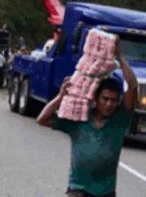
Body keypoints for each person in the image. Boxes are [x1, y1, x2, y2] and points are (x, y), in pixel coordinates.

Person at [36, 40, 137, 197]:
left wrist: (120, 55)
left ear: (118, 102)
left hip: (105, 192)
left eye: (113, 100)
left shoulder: (120, 121)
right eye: (105, 99)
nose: (109, 104)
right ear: (96, 98)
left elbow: (133, 86)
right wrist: (61, 96)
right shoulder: (80, 118)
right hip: (78, 189)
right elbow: (42, 119)